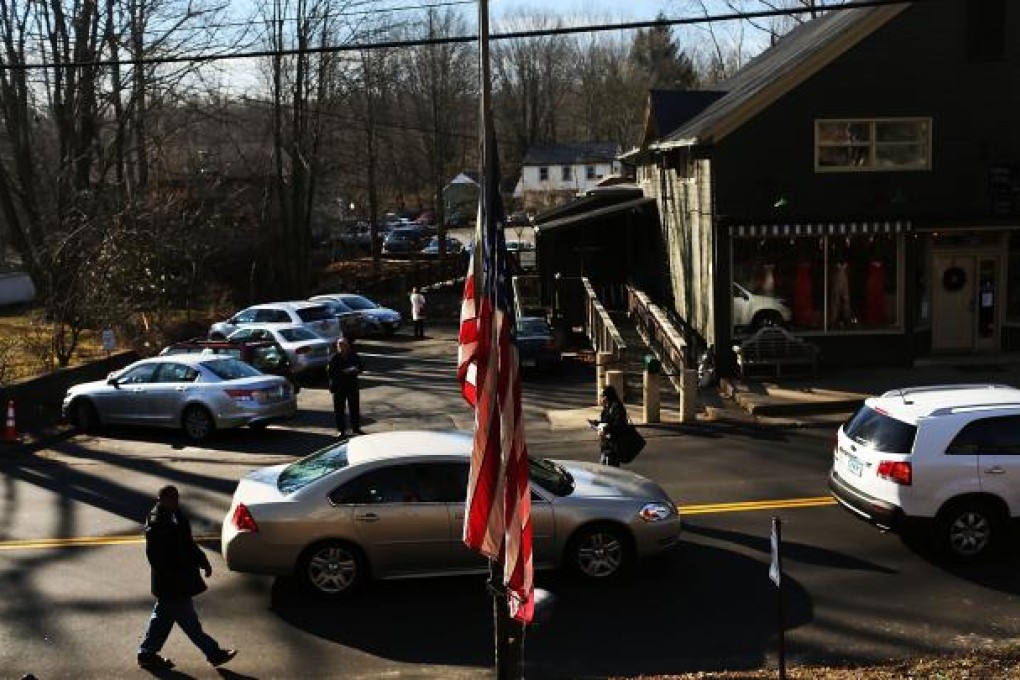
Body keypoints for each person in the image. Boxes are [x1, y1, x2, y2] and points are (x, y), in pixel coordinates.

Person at [137, 485, 236, 671]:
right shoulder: (156, 523)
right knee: (190, 622)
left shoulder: (176, 515)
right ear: (162, 500)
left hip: (178, 581)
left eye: (177, 498)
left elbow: (187, 542)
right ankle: (213, 653)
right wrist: (172, 579)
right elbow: (155, 557)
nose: (176, 502)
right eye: (172, 499)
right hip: (173, 583)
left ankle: (146, 654)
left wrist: (203, 561)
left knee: (162, 619)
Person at [327, 337, 364, 436]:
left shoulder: (353, 356)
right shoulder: (334, 357)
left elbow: (361, 367)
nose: (342, 347)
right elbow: (330, 373)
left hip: (352, 386)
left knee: (354, 409)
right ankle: (341, 431)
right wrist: (343, 372)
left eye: (344, 344)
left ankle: (356, 429)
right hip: (339, 387)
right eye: (340, 345)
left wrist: (355, 369)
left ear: (348, 346)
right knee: (339, 410)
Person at [589, 385, 628, 467]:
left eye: (601, 396)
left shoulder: (616, 407)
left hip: (612, 448)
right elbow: (606, 422)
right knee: (605, 473)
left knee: (609, 474)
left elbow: (619, 425)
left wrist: (605, 428)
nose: (600, 398)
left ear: (607, 396)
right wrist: (596, 423)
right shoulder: (607, 407)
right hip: (606, 446)